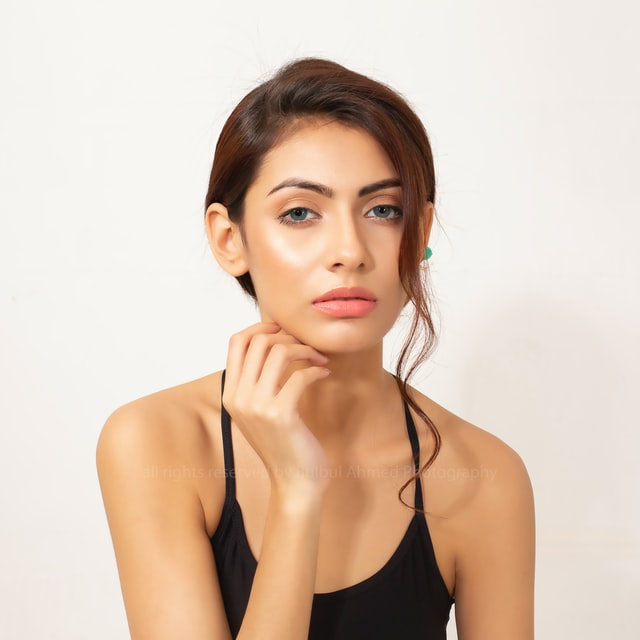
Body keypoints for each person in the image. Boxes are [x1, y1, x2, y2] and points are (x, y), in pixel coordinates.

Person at [97, 58, 535, 640]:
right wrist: (297, 493)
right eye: (300, 213)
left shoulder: (484, 476)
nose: (349, 251)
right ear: (229, 239)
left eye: (384, 210)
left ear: (421, 234)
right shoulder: (156, 442)